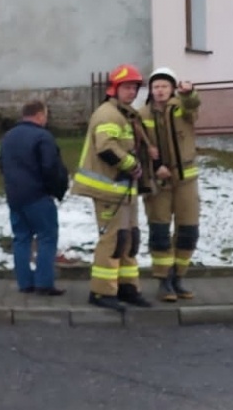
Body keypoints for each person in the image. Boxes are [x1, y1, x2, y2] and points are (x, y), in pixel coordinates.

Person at [71, 64, 155, 310]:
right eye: (127, 87)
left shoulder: (125, 113)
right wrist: (132, 165)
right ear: (114, 89)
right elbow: (106, 147)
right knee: (113, 240)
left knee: (129, 240)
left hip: (123, 190)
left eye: (134, 88)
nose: (131, 92)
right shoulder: (108, 114)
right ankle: (101, 292)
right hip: (109, 190)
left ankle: (127, 288)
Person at [140, 68, 201, 301]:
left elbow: (193, 106)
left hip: (186, 180)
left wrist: (190, 93)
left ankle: (178, 278)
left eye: (165, 86)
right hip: (159, 183)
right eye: (156, 87)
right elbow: (139, 149)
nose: (160, 90)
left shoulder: (182, 108)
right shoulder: (141, 115)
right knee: (160, 232)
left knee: (188, 230)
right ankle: (163, 281)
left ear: (173, 88)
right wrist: (156, 168)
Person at [0, 99, 68, 295]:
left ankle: (25, 283)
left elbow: (2, 165)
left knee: (21, 238)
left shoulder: (8, 136)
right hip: (38, 195)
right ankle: (44, 283)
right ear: (39, 115)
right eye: (45, 115)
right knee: (47, 237)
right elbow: (50, 168)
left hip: (15, 196)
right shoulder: (43, 137)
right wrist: (57, 189)